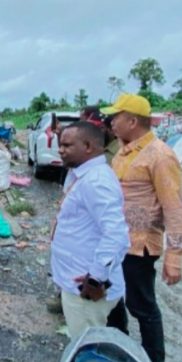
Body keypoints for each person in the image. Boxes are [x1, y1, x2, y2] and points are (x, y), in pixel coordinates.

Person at [101, 93, 182, 362]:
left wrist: (174, 257)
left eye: (116, 117)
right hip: (116, 242)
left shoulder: (160, 156)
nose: (111, 122)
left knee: (142, 307)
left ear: (132, 121)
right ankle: (119, 349)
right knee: (112, 300)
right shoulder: (122, 152)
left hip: (139, 246)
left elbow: (173, 208)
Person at [50, 122, 130, 339]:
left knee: (88, 347)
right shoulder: (83, 174)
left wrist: (96, 279)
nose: (60, 150)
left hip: (86, 290)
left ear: (87, 146)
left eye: (67, 145)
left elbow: (116, 235)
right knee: (89, 342)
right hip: (77, 280)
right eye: (60, 145)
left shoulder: (96, 181)